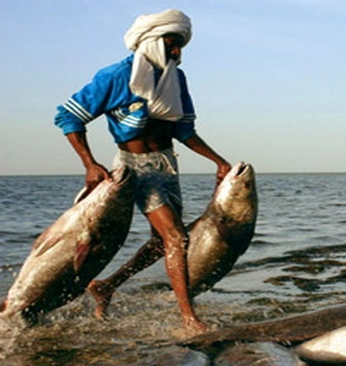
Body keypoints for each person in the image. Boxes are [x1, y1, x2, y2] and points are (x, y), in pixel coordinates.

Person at [55, 9, 231, 333]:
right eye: (171, 43)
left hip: (167, 166)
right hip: (132, 169)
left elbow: (184, 130)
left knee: (158, 244)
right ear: (151, 41)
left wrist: (219, 162)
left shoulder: (175, 79)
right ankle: (189, 319)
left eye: (180, 46)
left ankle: (107, 285)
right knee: (177, 237)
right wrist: (89, 164)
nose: (177, 52)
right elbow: (68, 116)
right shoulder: (116, 76)